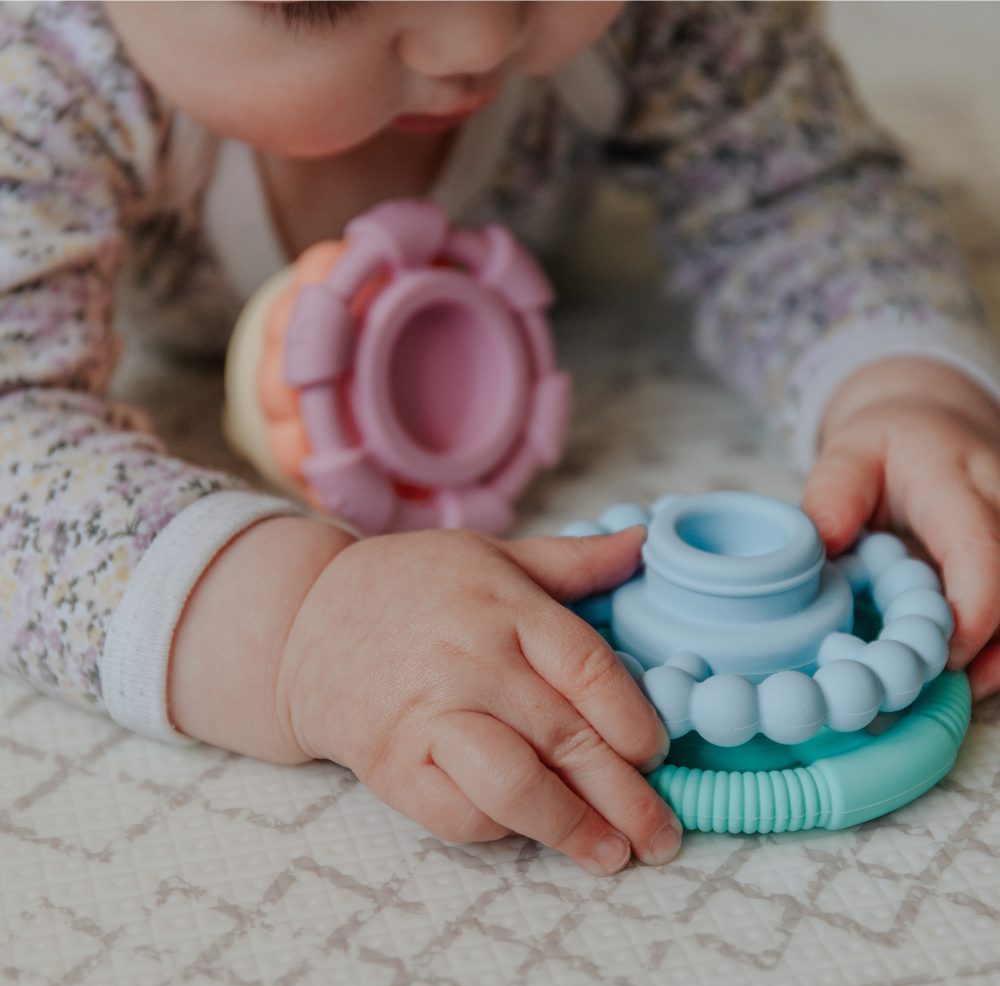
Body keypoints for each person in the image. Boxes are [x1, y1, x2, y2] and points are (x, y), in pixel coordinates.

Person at [4, 0, 1000, 879]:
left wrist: (904, 388)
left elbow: (799, 188)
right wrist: (303, 625)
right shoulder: (38, 78)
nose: (475, 33)